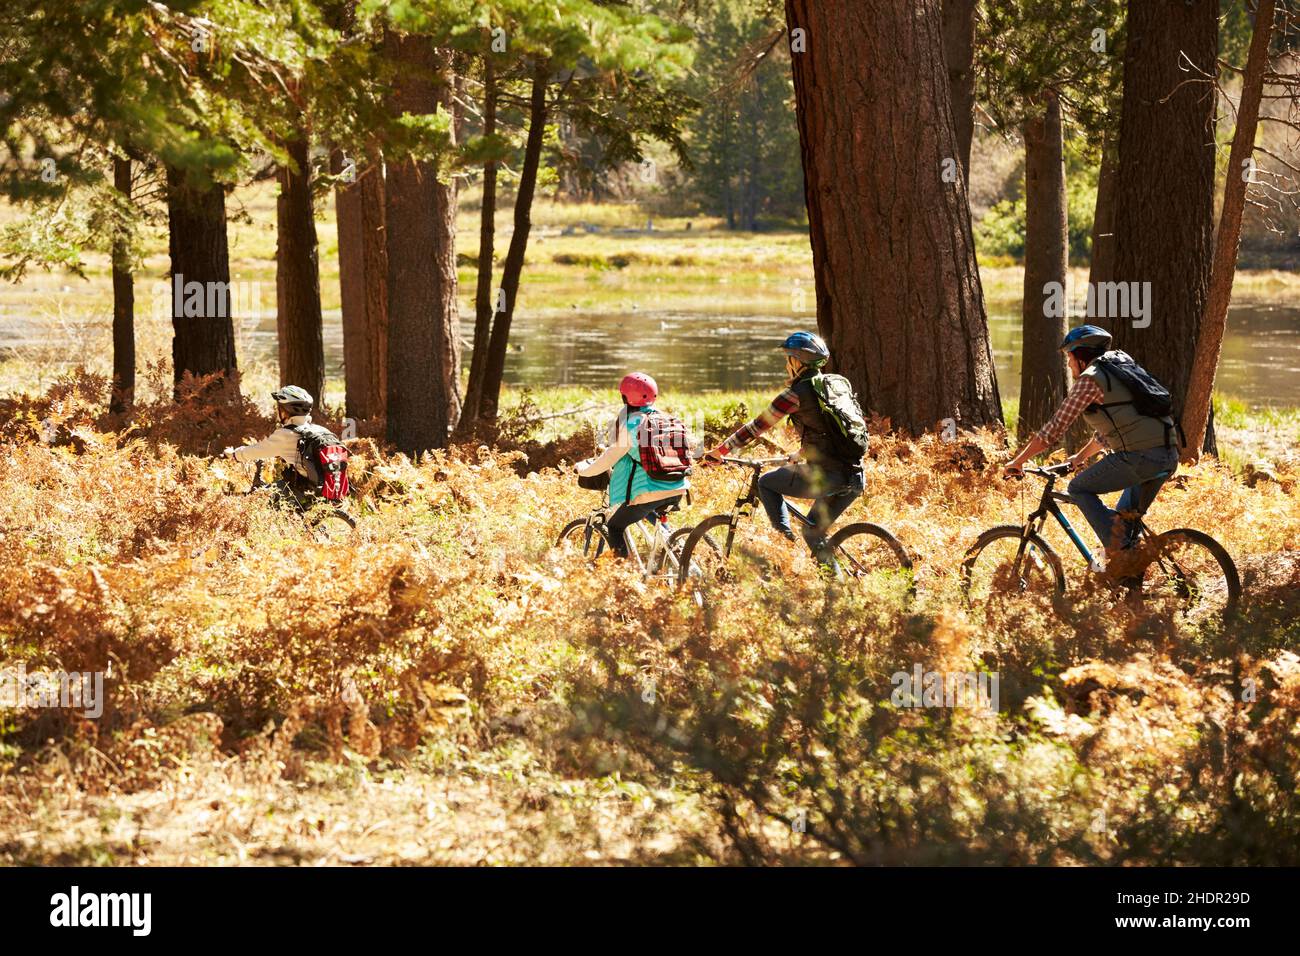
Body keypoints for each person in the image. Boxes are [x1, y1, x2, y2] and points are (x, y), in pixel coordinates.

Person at [1002, 325, 1179, 564]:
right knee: (1123, 522)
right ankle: (1130, 581)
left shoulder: (1090, 380)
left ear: (1081, 357)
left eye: (1069, 357)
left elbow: (1052, 431)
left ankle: (1124, 557)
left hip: (1140, 458)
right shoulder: (1117, 370)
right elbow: (1112, 432)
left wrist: (1018, 461)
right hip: (1167, 455)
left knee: (1079, 489)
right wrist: (1080, 457)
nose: (1068, 364)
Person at [702, 331, 864, 571]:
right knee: (813, 532)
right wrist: (803, 452)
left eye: (788, 358)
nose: (786, 364)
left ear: (797, 362)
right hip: (855, 475)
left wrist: (720, 451)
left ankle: (784, 546)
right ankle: (836, 588)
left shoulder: (794, 394)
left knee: (767, 483)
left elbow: (756, 427)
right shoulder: (834, 385)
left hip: (827, 475)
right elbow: (831, 430)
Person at [576, 372, 688, 559]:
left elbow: (611, 457)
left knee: (615, 526)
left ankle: (625, 577)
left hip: (649, 490)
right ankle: (676, 547)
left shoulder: (633, 423)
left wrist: (585, 470)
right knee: (645, 508)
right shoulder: (665, 418)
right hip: (678, 486)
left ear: (625, 397)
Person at [222, 385, 319, 506]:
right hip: (324, 487)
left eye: (279, 408)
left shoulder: (286, 435)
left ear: (285, 411)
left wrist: (234, 454)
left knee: (260, 497)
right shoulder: (317, 430)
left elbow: (258, 450)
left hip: (303, 488)